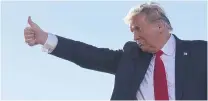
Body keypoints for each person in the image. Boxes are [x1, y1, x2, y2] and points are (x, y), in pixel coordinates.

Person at [24, 2, 207, 100]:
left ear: (159, 26)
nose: (135, 37)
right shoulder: (131, 56)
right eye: (132, 31)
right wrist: (45, 38)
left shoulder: (201, 52)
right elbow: (88, 55)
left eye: (138, 29)